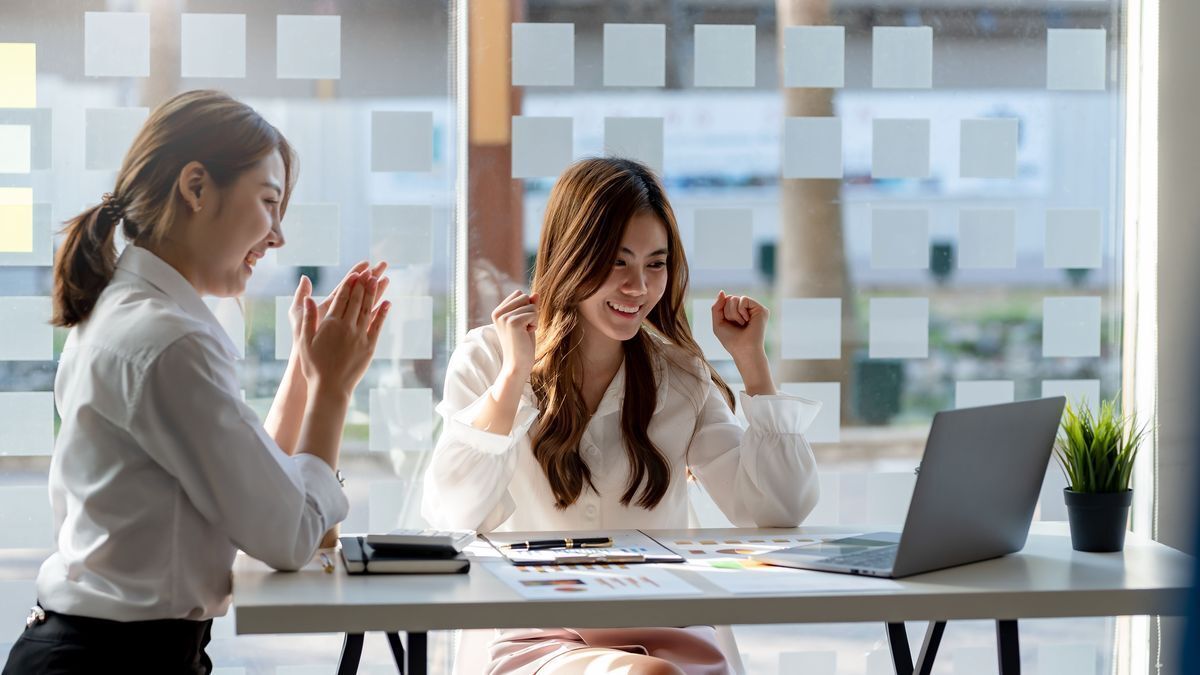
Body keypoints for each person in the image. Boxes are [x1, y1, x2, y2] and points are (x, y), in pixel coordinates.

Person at [2, 90, 390, 674]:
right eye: (268, 202)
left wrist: (308, 374)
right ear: (196, 188)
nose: (278, 236)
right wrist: (332, 389)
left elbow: (260, 486)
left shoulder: (134, 315)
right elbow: (289, 534)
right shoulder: (169, 341)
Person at [422, 157, 820, 675]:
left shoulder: (679, 375)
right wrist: (515, 377)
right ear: (572, 256)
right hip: (538, 630)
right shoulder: (489, 359)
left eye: (656, 264)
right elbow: (455, 514)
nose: (639, 287)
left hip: (665, 625)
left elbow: (776, 509)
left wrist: (753, 364)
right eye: (618, 262)